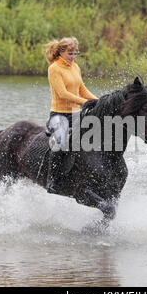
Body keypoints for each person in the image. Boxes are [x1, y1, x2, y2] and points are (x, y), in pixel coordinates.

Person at [44, 37, 97, 194]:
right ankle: (52, 180)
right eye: (69, 53)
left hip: (76, 113)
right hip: (59, 114)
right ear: (61, 52)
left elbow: (82, 89)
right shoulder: (54, 68)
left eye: (75, 53)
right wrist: (84, 103)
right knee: (60, 143)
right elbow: (63, 93)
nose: (73, 57)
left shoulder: (75, 67)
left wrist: (99, 101)